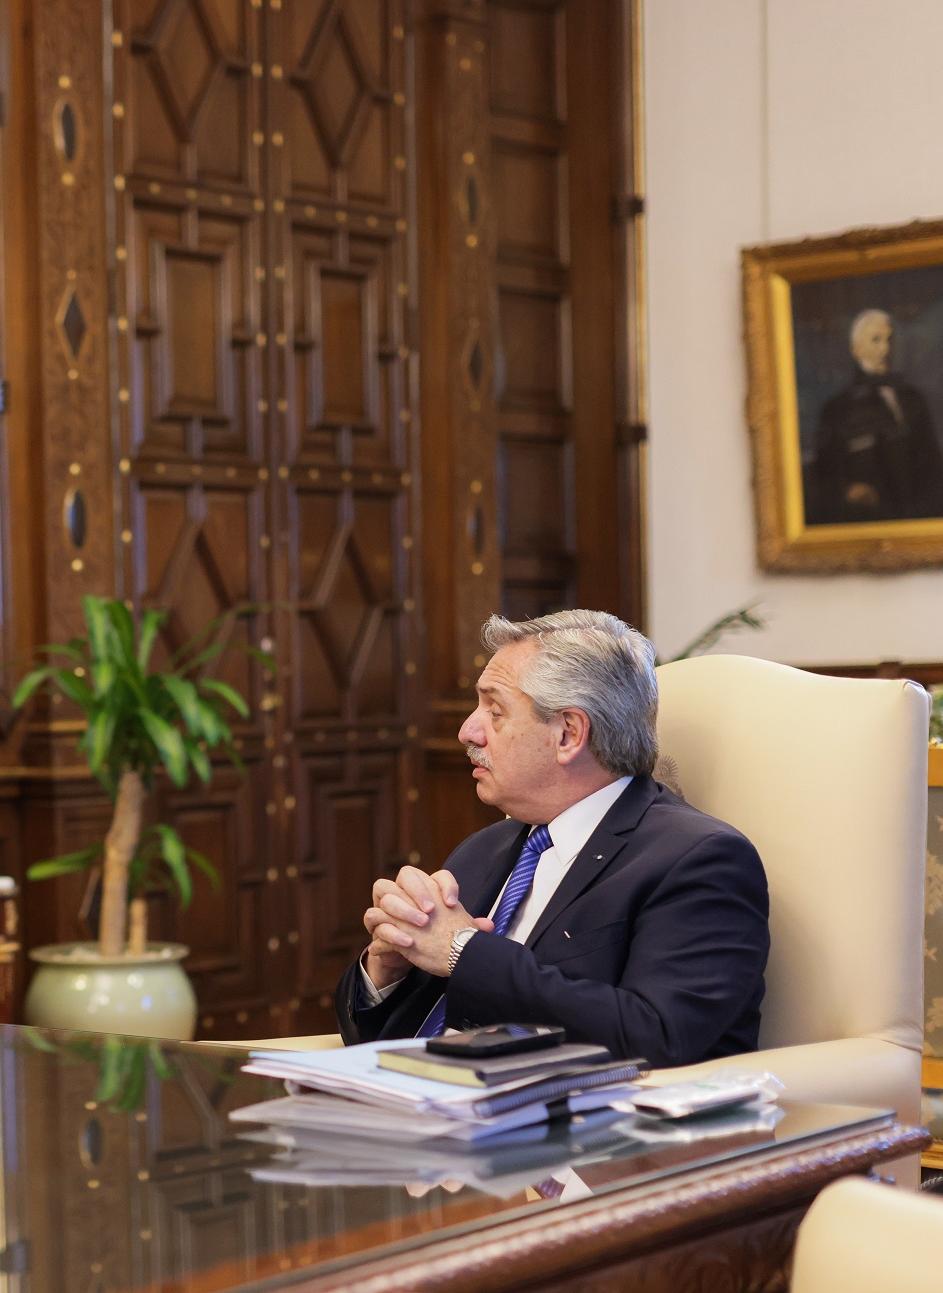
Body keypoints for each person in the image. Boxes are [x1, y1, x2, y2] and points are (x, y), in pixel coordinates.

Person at [336, 611, 769, 1068]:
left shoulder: (698, 859)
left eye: (494, 710)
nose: (467, 730)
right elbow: (382, 1035)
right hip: (415, 1108)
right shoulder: (485, 849)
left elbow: (656, 1036)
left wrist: (463, 950)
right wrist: (387, 968)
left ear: (568, 733)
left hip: (578, 1128)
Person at [806, 307, 943, 524]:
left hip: (919, 519)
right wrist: (847, 490)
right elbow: (823, 477)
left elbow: (932, 464)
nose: (886, 348)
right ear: (856, 349)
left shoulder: (914, 400)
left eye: (889, 339)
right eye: (875, 340)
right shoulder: (837, 410)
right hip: (867, 521)